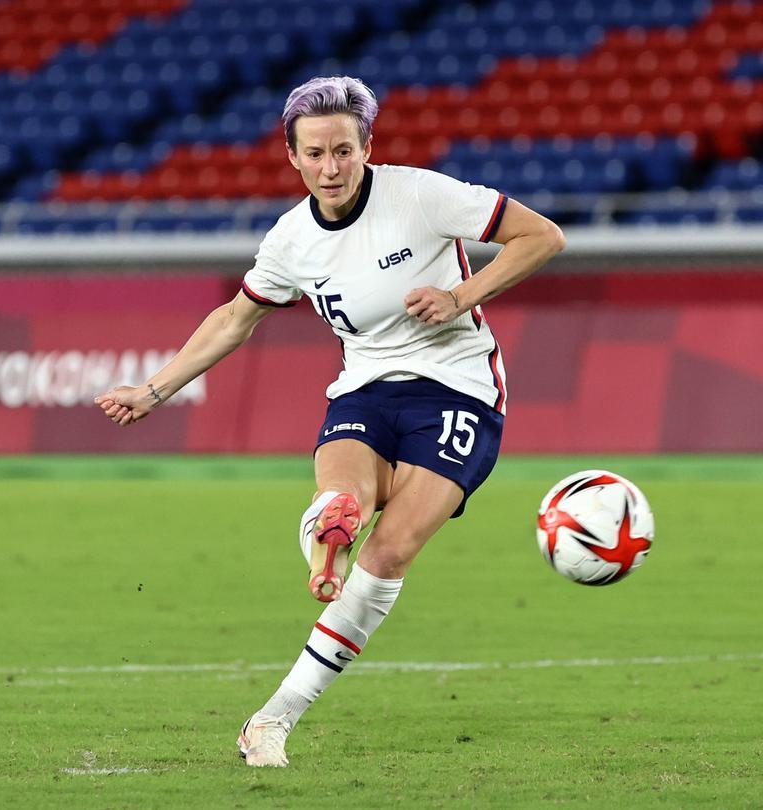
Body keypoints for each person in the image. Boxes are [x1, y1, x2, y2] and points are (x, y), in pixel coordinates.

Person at [94, 75, 565, 767]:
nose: (330, 167)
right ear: (292, 157)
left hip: (458, 391)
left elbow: (542, 236)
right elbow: (235, 317)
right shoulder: (292, 241)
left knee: (391, 552)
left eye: (343, 150)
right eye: (314, 153)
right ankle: (329, 531)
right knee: (343, 501)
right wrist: (155, 390)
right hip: (364, 393)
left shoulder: (421, 195)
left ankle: (273, 718)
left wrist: (460, 295)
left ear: (366, 146)